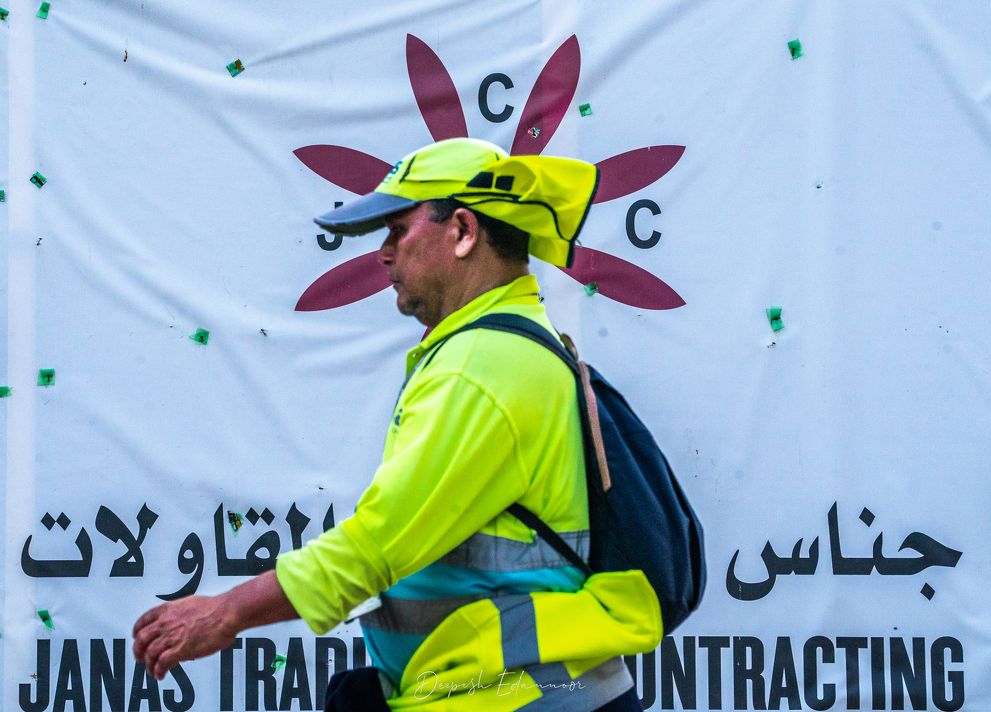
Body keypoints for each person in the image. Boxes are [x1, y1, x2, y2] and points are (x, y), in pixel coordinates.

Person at [133, 138, 662, 710]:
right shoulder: (504, 349)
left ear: (463, 231)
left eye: (398, 231)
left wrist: (225, 613)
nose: (384, 255)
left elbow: (377, 543)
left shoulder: (482, 368)